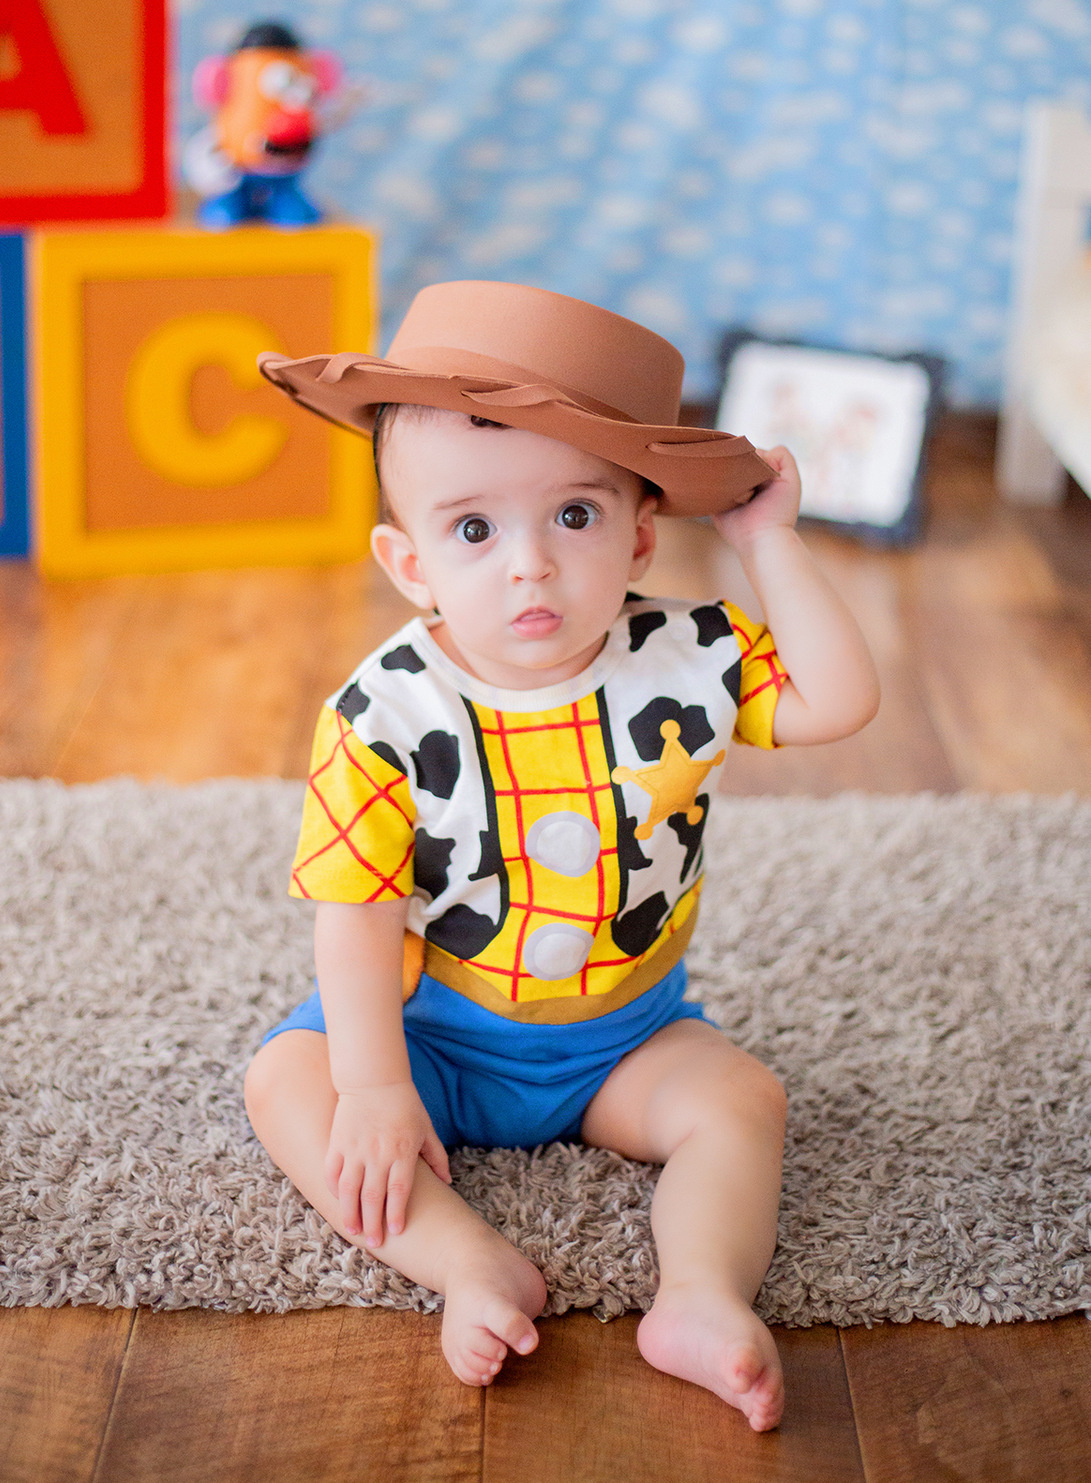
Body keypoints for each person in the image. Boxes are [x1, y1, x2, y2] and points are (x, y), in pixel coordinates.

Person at [245, 281, 879, 1432]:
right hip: (436, 1033)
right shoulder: (384, 711)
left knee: (743, 1099)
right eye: (475, 529)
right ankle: (466, 1264)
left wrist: (766, 541)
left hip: (623, 1039)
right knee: (290, 1084)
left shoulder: (688, 657)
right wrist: (376, 1086)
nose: (529, 565)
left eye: (574, 518)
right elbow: (356, 909)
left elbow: (838, 697)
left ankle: (697, 1296)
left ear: (641, 532)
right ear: (411, 564)